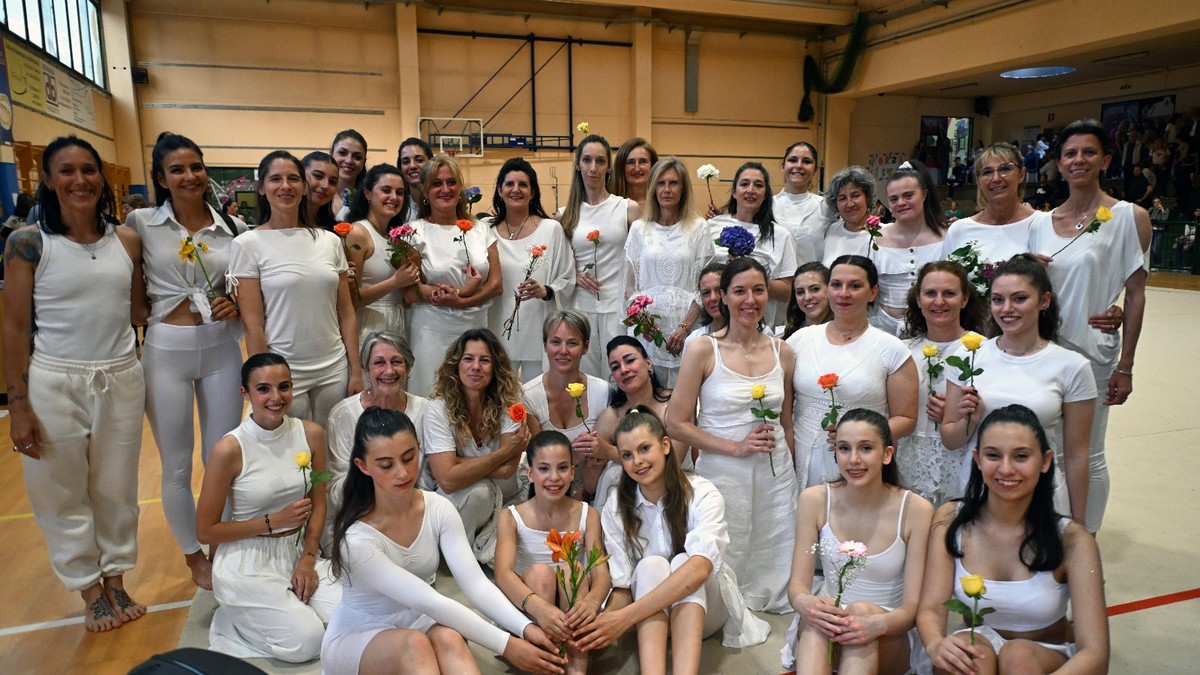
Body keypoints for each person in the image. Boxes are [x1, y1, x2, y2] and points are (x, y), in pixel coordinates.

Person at [3, 136, 148, 632]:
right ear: (47, 179)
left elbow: (137, 310)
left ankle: (116, 576)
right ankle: (89, 588)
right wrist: (18, 406)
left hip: (121, 375)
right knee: (59, 491)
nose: (80, 180)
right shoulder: (27, 243)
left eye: (89, 170)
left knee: (116, 488)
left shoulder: (126, 240)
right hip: (54, 379)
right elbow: (16, 328)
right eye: (66, 171)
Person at [322, 407, 566, 675]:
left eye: (408, 457)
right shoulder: (356, 540)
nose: (402, 473)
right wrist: (508, 645)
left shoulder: (437, 507)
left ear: (419, 447)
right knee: (415, 646)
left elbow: (476, 585)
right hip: (360, 632)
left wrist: (526, 628)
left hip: (415, 618)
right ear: (363, 466)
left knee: (451, 638)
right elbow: (431, 601)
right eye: (386, 465)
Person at [128, 132, 245, 590]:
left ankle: (224, 547)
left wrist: (232, 303)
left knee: (223, 455)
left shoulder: (231, 228)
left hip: (221, 349)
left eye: (196, 167)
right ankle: (195, 558)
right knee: (176, 465)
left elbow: (239, 289)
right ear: (160, 177)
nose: (189, 176)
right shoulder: (139, 223)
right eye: (177, 169)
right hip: (166, 350)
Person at [574, 408, 770, 671]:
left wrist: (625, 617)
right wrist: (606, 622)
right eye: (627, 455)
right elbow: (621, 585)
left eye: (645, 449)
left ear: (665, 445)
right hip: (649, 615)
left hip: (706, 609)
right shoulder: (616, 507)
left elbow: (700, 569)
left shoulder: (701, 492)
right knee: (650, 564)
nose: (638, 462)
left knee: (683, 561)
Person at [917, 405, 1109, 674]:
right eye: (993, 455)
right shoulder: (950, 519)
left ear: (1045, 461)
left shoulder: (1072, 540)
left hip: (1046, 660)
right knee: (963, 654)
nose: (1006, 469)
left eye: (1021, 456)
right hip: (980, 649)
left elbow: (1095, 654)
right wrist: (936, 644)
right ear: (977, 459)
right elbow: (930, 610)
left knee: (1018, 657)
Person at [1028, 118, 1150, 532]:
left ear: (1105, 160)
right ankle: (1053, 530)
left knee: (1089, 453)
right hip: (1041, 352)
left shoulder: (1129, 218)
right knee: (1049, 449)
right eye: (1070, 154)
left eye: (1088, 152)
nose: (1079, 160)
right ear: (1059, 165)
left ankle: (1086, 537)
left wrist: (1126, 364)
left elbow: (1135, 294)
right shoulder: (1039, 224)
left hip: (1092, 353)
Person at [666, 257, 798, 612]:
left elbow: (786, 423)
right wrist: (735, 447)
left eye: (758, 291)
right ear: (722, 296)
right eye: (739, 291)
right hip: (724, 469)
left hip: (776, 471)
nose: (750, 300)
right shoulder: (702, 350)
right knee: (730, 543)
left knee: (772, 540)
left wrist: (792, 471)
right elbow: (676, 423)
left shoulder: (783, 352)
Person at [196, 353, 342, 662]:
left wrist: (308, 557)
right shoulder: (228, 449)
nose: (276, 398)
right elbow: (206, 531)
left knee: (356, 614)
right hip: (246, 561)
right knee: (308, 642)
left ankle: (282, 609)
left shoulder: (312, 434)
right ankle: (232, 619)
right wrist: (271, 522)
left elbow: (319, 499)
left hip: (297, 550)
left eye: (284, 386)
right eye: (263, 389)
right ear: (245, 394)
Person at [941, 255, 1096, 528]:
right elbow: (951, 440)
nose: (1007, 308)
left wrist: (1079, 528)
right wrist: (972, 420)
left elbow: (1076, 455)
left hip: (1040, 496)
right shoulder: (968, 356)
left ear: (1044, 301)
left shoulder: (1072, 366)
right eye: (998, 299)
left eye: (1019, 298)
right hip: (980, 491)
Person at [784, 409, 933, 674]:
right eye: (844, 448)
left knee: (860, 611)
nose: (853, 460)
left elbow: (912, 609)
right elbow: (798, 586)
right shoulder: (814, 500)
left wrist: (876, 624)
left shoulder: (916, 509)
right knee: (822, 613)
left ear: (887, 454)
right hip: (830, 629)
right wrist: (804, 603)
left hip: (888, 632)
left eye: (865, 448)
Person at [229, 150, 363, 424]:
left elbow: (346, 313)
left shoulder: (330, 241)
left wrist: (356, 369)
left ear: (303, 187)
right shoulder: (247, 244)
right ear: (262, 188)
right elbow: (253, 325)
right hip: (284, 370)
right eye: (276, 179)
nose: (286, 186)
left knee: (333, 452)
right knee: (292, 456)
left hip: (333, 367)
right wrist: (264, 380)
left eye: (293, 179)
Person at [787, 255, 917, 489]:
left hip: (862, 461)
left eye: (855, 286)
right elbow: (785, 411)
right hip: (803, 454)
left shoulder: (891, 349)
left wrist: (860, 434)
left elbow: (906, 419)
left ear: (873, 292)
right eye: (836, 285)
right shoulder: (799, 340)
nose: (843, 293)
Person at [494, 430, 611, 674]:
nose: (554, 477)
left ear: (571, 472)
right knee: (540, 573)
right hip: (530, 607)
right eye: (544, 469)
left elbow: (600, 573)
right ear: (530, 473)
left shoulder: (588, 514)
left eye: (562, 468)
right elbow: (503, 574)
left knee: (574, 570)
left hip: (572, 606)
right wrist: (539, 608)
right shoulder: (511, 516)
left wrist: (591, 602)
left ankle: (577, 668)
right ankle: (547, 662)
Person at [424, 329, 530, 564]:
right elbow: (448, 480)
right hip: (460, 499)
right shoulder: (437, 409)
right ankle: (458, 558)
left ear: (496, 367)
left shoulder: (512, 405)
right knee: (481, 492)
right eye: (468, 359)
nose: (476, 367)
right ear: (456, 364)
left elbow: (506, 472)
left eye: (485, 360)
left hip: (507, 496)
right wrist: (503, 453)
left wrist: (455, 463)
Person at [406, 154, 503, 396]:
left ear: (460, 188)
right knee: (432, 397)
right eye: (437, 183)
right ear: (425, 191)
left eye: (451, 182)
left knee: (474, 398)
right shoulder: (414, 232)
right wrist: (460, 293)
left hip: (475, 328)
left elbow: (496, 284)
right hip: (431, 331)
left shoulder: (481, 229)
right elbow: (410, 291)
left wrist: (462, 299)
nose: (445, 189)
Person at [325, 331, 431, 542]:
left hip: (414, 511)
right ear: (365, 370)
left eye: (397, 362)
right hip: (359, 515)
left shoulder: (426, 411)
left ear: (408, 368)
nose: (389, 370)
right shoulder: (343, 414)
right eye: (379, 363)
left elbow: (429, 478)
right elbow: (337, 487)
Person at [896, 261, 987, 506]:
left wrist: (956, 413)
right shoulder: (904, 351)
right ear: (918, 299)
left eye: (949, 293)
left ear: (965, 299)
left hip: (960, 457)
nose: (939, 302)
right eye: (930, 294)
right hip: (911, 459)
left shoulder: (982, 349)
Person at [624, 156, 716, 384]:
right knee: (647, 394)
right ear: (653, 188)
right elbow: (629, 287)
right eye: (661, 183)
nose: (667, 189)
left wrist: (685, 327)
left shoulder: (699, 228)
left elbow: (706, 287)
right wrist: (642, 321)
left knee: (685, 395)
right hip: (648, 330)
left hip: (688, 329)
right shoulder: (639, 229)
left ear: (683, 188)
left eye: (673, 183)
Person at [484, 158, 575, 378]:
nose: (516, 190)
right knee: (499, 398)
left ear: (533, 192)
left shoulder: (551, 229)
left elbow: (568, 276)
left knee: (537, 399)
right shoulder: (485, 229)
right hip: (497, 328)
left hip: (537, 331)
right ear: (499, 189)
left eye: (523, 185)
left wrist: (546, 290)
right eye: (509, 184)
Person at [559, 134, 640, 378]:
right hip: (580, 308)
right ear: (578, 165)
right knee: (585, 379)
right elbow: (558, 265)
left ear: (608, 167)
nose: (593, 168)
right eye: (587, 160)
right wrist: (574, 274)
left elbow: (641, 258)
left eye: (600, 161)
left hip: (617, 309)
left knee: (619, 377)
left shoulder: (627, 208)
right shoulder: (564, 215)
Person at [521, 311, 609, 498]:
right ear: (545, 345)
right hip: (544, 490)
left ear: (585, 347)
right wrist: (573, 458)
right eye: (555, 342)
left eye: (572, 343)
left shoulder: (602, 391)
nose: (563, 351)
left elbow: (605, 454)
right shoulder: (528, 395)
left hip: (592, 487)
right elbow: (534, 457)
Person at [706, 162, 798, 327]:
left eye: (758, 185)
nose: (751, 190)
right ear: (734, 192)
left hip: (757, 323)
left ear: (766, 194)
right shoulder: (711, 226)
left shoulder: (781, 235)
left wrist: (753, 278)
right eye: (744, 184)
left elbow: (787, 292)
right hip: (715, 322)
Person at [593, 336, 679, 504]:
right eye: (615, 367)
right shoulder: (610, 416)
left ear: (648, 363)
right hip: (622, 502)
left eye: (630, 361)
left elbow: (674, 462)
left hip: (672, 495)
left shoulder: (674, 403)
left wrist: (610, 452)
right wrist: (592, 458)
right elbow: (590, 485)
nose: (624, 370)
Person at [343, 164, 421, 341]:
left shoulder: (396, 238)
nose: (394, 197)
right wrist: (394, 282)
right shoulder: (358, 233)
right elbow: (350, 299)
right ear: (368, 193)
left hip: (398, 322)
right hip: (368, 325)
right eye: (386, 190)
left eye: (400, 192)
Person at [870, 160, 947, 336]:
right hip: (883, 329)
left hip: (934, 327)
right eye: (894, 199)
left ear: (924, 194)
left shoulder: (946, 236)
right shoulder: (876, 238)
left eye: (908, 196)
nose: (901, 203)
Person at [941, 144, 1037, 266]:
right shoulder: (959, 230)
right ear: (978, 180)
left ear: (1021, 174)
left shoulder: (1042, 224)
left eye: (1005, 169)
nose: (996, 178)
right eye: (987, 172)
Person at [774, 141, 834, 264]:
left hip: (815, 280)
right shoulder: (768, 206)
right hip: (775, 281)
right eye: (793, 160)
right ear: (783, 166)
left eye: (806, 161)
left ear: (815, 169)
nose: (799, 166)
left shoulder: (826, 206)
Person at [822, 166, 876, 267]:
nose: (850, 204)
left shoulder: (883, 234)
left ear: (867, 198)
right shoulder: (831, 231)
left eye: (855, 195)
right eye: (842, 198)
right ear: (835, 203)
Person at [682, 261, 727, 349]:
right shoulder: (694, 340)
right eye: (706, 293)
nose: (713, 298)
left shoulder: (756, 334)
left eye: (719, 290)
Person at [783, 261, 832, 339]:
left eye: (815, 289)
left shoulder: (846, 332)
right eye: (800, 292)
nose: (807, 297)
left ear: (830, 289)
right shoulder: (789, 337)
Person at [611, 137, 659, 211]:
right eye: (630, 162)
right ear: (621, 167)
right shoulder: (611, 204)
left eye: (643, 161)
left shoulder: (662, 204)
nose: (637, 168)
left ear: (653, 165)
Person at [331, 129, 368, 219]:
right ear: (331, 154)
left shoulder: (368, 199)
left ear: (364, 162)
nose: (349, 161)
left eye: (357, 157)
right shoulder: (319, 194)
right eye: (343, 153)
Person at [397, 137, 433, 223]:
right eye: (406, 162)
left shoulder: (442, 201)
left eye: (419, 160)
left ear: (431, 163)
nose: (412, 166)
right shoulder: (396, 205)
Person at [302, 151, 339, 231]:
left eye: (332, 182)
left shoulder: (334, 230)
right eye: (318, 176)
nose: (325, 186)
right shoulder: (280, 225)